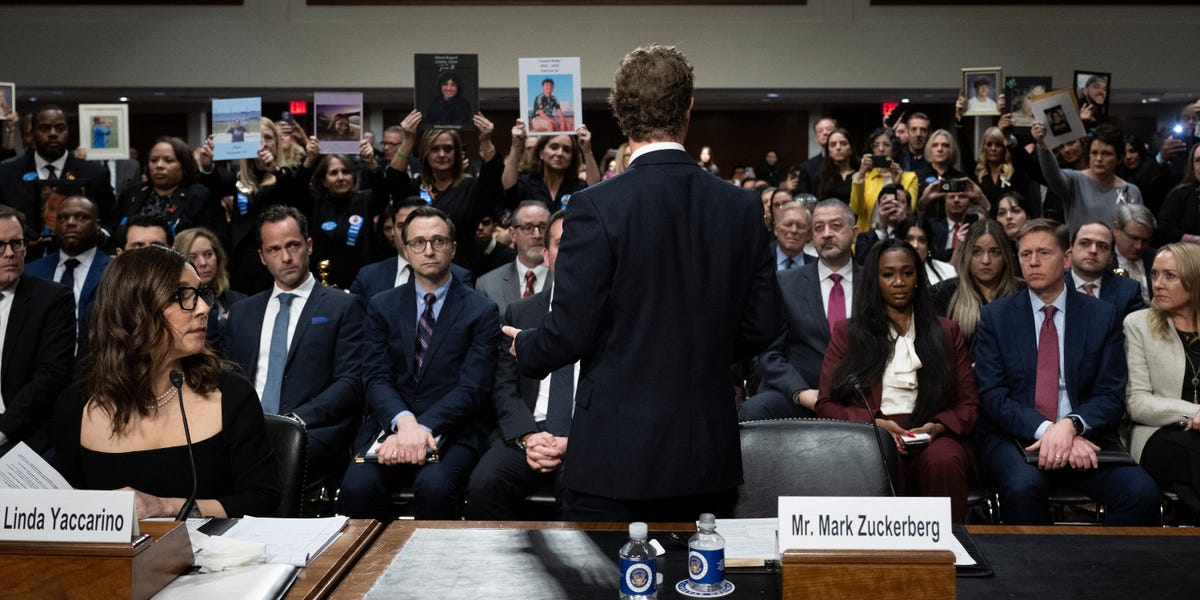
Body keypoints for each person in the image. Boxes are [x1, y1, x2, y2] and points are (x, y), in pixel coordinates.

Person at [505, 45, 782, 522]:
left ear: (621, 115)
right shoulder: (739, 207)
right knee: (702, 588)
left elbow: (570, 331)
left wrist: (525, 347)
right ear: (688, 107)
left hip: (616, 452)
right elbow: (764, 323)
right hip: (705, 449)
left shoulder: (593, 206)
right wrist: (699, 348)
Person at [53, 245, 279, 518]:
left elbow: (262, 501)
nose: (204, 308)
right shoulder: (76, 406)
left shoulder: (231, 394)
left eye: (200, 294)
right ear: (135, 309)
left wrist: (167, 507)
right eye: (184, 296)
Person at [973, 218, 1159, 525]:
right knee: (1022, 488)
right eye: (1025, 254)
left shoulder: (1101, 315)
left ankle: (1102, 570)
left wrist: (1071, 426)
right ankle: (1039, 574)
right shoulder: (996, 317)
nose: (1032, 262)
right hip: (1017, 437)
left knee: (1141, 493)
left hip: (1086, 435)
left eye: (1044, 253)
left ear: (1067, 257)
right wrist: (1050, 431)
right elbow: (993, 396)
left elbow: (1110, 395)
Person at [340, 206, 499, 521]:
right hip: (391, 426)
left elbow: (473, 387)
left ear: (453, 249)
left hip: (455, 429)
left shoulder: (482, 311)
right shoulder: (381, 306)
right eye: (418, 242)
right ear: (405, 248)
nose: (429, 250)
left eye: (438, 241)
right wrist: (405, 423)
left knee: (434, 488)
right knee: (356, 488)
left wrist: (422, 426)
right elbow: (375, 377)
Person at [817, 239, 979, 523]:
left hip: (931, 433)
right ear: (874, 280)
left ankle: (952, 552)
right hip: (873, 433)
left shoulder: (946, 331)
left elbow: (968, 404)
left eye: (907, 272)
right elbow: (825, 404)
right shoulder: (849, 332)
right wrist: (874, 424)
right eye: (888, 274)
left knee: (944, 461)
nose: (899, 282)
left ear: (918, 277)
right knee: (877, 457)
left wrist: (937, 428)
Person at [224, 206, 364, 492]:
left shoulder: (343, 306)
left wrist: (295, 420)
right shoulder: (242, 313)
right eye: (274, 250)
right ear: (262, 257)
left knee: (271, 460)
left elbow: (350, 382)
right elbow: (229, 381)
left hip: (312, 431)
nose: (285, 257)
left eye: (293, 245)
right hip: (248, 431)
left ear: (309, 246)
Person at [467, 209, 572, 519]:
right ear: (547, 256)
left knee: (579, 490)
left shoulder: (615, 316)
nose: (572, 253)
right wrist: (528, 436)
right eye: (561, 244)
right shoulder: (521, 313)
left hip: (586, 437)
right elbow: (504, 387)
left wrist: (571, 442)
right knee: (483, 486)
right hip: (528, 429)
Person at [741, 199, 855, 420]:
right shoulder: (785, 283)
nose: (827, 234)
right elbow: (770, 353)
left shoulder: (872, 282)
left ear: (855, 232)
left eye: (836, 226)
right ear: (812, 237)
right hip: (801, 394)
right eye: (819, 228)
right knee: (755, 410)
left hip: (857, 396)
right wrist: (801, 393)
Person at [1123, 243, 1200, 519]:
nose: (1158, 284)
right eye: (1154, 274)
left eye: (1170, 276)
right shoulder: (1138, 324)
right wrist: (1194, 413)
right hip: (1156, 433)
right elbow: (1136, 402)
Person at [198, 117, 315, 293]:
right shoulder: (236, 179)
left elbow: (297, 192)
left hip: (280, 269)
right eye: (256, 138)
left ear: (277, 143)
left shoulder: (287, 176)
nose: (263, 144)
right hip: (241, 271)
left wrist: (275, 170)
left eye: (268, 138)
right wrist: (207, 165)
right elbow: (214, 186)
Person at [0, 205, 75, 456]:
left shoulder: (52, 299)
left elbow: (50, 377)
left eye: (17, 244)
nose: (10, 253)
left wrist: (2, 430)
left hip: (24, 437)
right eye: (0, 245)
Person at [386, 110, 502, 270]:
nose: (441, 154)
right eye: (434, 149)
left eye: (448, 149)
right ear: (426, 153)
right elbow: (395, 178)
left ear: (457, 154)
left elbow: (493, 177)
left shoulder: (471, 187)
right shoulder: (415, 186)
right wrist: (408, 139)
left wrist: (486, 140)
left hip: (462, 266)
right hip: (420, 266)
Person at [0, 105, 115, 238]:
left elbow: (110, 220)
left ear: (68, 131)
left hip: (80, 254)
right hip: (24, 255)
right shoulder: (6, 174)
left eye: (60, 128)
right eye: (45, 128)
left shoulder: (95, 173)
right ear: (32, 133)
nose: (53, 133)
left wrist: (98, 237)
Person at [24, 194, 110, 356]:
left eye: (81, 217)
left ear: (97, 225)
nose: (70, 223)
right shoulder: (31, 271)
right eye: (63, 218)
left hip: (94, 367)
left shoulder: (114, 272)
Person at [349, 198, 474, 300]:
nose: (408, 233)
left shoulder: (460, 277)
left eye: (418, 225)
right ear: (392, 230)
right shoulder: (368, 277)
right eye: (402, 226)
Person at [301, 150, 388, 289]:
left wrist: (371, 164)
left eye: (345, 172)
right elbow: (296, 188)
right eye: (334, 173)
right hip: (321, 284)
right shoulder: (315, 203)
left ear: (353, 176)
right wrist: (309, 160)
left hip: (360, 284)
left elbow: (382, 193)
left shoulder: (365, 200)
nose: (341, 177)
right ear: (323, 180)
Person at [1035, 122, 1143, 234]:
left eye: (1106, 154)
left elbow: (1136, 232)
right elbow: (1051, 175)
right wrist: (1043, 145)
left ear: (1119, 158)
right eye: (1094, 153)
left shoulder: (1131, 191)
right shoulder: (1074, 180)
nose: (1099, 158)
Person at [932, 219, 1022, 350]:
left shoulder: (1022, 292)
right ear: (967, 254)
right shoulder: (943, 294)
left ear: (1005, 256)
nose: (986, 260)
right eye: (977, 252)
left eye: (994, 252)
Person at [121, 137, 218, 236]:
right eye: (154, 160)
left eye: (168, 161)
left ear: (184, 165)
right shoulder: (134, 193)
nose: (159, 165)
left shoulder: (198, 196)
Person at [174, 227, 244, 353]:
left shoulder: (240, 301)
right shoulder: (176, 307)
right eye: (193, 257)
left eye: (208, 254)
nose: (203, 263)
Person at [503, 121, 599, 212]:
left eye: (566, 150)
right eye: (554, 147)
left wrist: (587, 150)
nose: (560, 153)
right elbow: (509, 189)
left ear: (572, 158)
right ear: (541, 152)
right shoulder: (527, 182)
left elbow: (595, 190)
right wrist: (516, 146)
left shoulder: (577, 186)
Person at [477, 201, 552, 314]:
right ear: (513, 235)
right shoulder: (487, 285)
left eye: (543, 227)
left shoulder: (567, 280)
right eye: (528, 227)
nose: (537, 235)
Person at [1065, 222, 1145, 319]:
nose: (1093, 250)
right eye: (1085, 243)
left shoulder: (1128, 290)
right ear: (1070, 250)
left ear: (1111, 257)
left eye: (1102, 246)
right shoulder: (1053, 286)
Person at [849, 127, 918, 233]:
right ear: (871, 150)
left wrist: (897, 185)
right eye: (876, 145)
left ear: (894, 150)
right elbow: (856, 209)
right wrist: (861, 174)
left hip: (896, 234)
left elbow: (909, 210)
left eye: (886, 145)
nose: (881, 149)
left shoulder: (910, 177)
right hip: (868, 236)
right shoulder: (864, 178)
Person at [1155, 142, 1200, 247]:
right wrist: (1195, 240)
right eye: (1198, 160)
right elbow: (1162, 232)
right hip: (1186, 258)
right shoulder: (1178, 195)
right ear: (1192, 166)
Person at [1111, 203, 1157, 303]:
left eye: (1145, 240)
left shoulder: (1157, 258)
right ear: (1116, 229)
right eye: (1134, 238)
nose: (1139, 246)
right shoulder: (1103, 260)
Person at [897, 217, 955, 286]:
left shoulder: (948, 272)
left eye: (922, 240)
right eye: (909, 239)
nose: (915, 245)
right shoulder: (887, 271)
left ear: (928, 246)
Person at [771, 201, 815, 271]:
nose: (794, 230)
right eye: (788, 224)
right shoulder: (759, 260)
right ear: (776, 229)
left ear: (809, 234)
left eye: (800, 226)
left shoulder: (817, 266)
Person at [816, 129, 857, 203]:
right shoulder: (821, 176)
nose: (838, 148)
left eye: (843, 144)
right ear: (828, 152)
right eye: (833, 145)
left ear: (851, 149)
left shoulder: (860, 174)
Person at [798, 117, 836, 194]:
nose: (825, 133)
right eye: (820, 131)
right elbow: (804, 196)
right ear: (816, 138)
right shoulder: (807, 167)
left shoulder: (855, 162)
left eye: (829, 129)